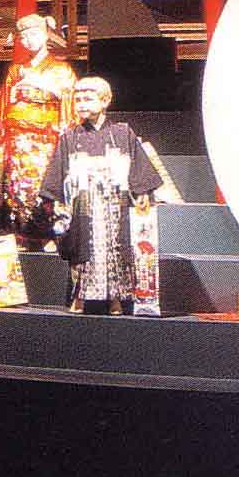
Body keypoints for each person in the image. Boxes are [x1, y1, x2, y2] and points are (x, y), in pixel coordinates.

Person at [40, 76, 165, 314]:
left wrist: (142, 191)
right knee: (82, 249)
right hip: (84, 203)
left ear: (105, 100)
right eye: (78, 100)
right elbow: (57, 172)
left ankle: (115, 298)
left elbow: (138, 165)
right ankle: (80, 296)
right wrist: (53, 198)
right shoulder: (70, 137)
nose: (81, 104)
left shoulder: (122, 132)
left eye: (88, 99)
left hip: (116, 201)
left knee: (117, 249)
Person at [0, 12, 78, 248]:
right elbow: (3, 102)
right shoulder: (16, 70)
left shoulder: (62, 69)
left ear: (46, 35)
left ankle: (50, 236)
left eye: (34, 34)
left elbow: (69, 103)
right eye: (24, 36)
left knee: (43, 186)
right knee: (16, 187)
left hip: (46, 140)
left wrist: (66, 133)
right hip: (17, 140)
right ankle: (21, 235)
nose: (28, 40)